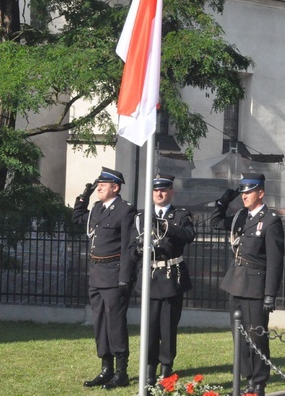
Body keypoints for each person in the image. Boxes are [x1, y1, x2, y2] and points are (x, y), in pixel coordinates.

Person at [211, 173, 285, 396]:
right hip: (236, 283)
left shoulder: (271, 220)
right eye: (242, 192)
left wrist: (270, 294)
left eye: (248, 191)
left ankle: (259, 382)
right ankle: (248, 379)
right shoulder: (240, 217)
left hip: (256, 287)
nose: (244, 196)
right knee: (240, 336)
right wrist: (224, 201)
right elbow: (215, 222)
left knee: (257, 337)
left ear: (260, 193)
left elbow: (275, 261)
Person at [72, 167, 137, 390]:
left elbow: (129, 246)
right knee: (99, 323)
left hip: (114, 274)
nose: (99, 187)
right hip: (96, 274)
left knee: (115, 324)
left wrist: (125, 278)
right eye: (98, 184)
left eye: (103, 184)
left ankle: (121, 372)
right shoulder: (97, 209)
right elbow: (77, 217)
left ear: (115, 187)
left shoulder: (125, 210)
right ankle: (105, 368)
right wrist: (84, 196)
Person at [129, 174, 196, 386]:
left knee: (168, 327)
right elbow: (131, 248)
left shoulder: (181, 215)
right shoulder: (141, 217)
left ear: (171, 192)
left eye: (164, 190)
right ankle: (150, 369)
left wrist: (162, 224)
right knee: (149, 326)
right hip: (150, 277)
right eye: (156, 190)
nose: (160, 193)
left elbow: (188, 236)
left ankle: (166, 368)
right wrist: (138, 251)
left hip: (171, 278)